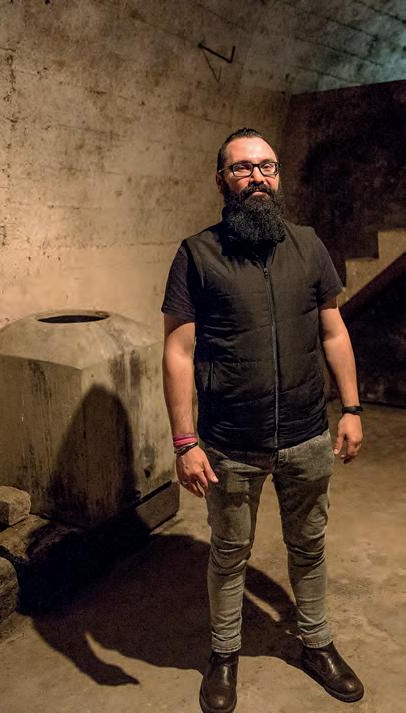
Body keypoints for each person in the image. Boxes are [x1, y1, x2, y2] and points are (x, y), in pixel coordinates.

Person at [161, 128, 364, 713]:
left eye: (267, 167)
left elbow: (333, 331)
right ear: (221, 179)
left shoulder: (308, 245)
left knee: (309, 545)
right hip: (230, 442)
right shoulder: (197, 254)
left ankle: (316, 643)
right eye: (243, 168)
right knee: (229, 553)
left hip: (307, 433)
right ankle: (224, 654)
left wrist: (351, 409)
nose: (257, 177)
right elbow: (177, 352)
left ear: (278, 176)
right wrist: (185, 442)